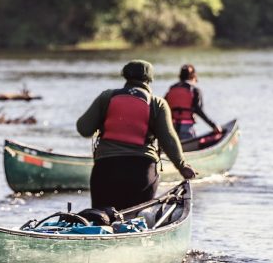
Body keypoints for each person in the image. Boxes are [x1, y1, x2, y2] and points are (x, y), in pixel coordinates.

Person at [76, 60, 197, 210]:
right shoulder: (157, 103)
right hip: (141, 172)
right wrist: (182, 166)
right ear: (149, 79)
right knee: (135, 222)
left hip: (106, 170)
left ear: (125, 76)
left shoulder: (106, 97)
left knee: (101, 219)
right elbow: (169, 140)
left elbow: (83, 128)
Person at [164, 63, 221, 141]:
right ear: (193, 76)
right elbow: (199, 111)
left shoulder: (171, 89)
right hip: (186, 129)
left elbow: (163, 108)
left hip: (171, 129)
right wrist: (214, 126)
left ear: (180, 76)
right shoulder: (195, 90)